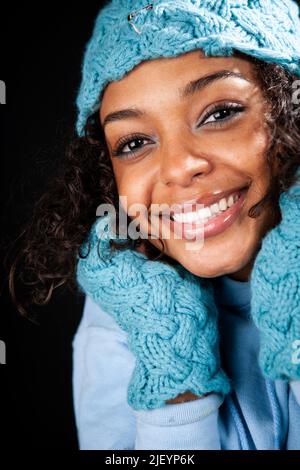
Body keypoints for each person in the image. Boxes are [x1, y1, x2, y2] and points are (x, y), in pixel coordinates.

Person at [10, 0, 300, 450]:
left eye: (220, 113)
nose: (180, 166)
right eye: (135, 142)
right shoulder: (126, 313)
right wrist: (174, 377)